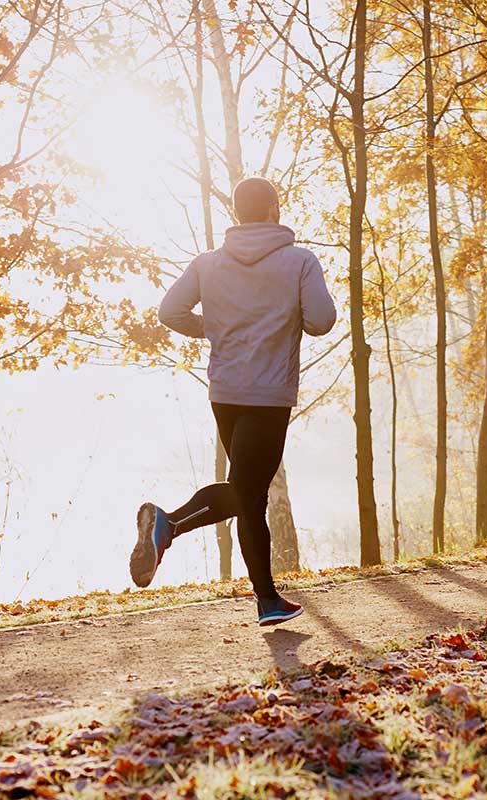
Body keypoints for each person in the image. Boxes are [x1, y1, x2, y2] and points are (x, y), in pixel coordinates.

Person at [129, 177, 336, 627]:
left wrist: (217, 327)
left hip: (225, 392)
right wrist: (283, 317)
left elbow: (170, 313)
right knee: (250, 492)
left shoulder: (208, 263)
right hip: (268, 395)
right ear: (274, 210)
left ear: (238, 214)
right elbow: (321, 320)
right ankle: (180, 531)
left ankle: (259, 594)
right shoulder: (300, 261)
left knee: (246, 490)